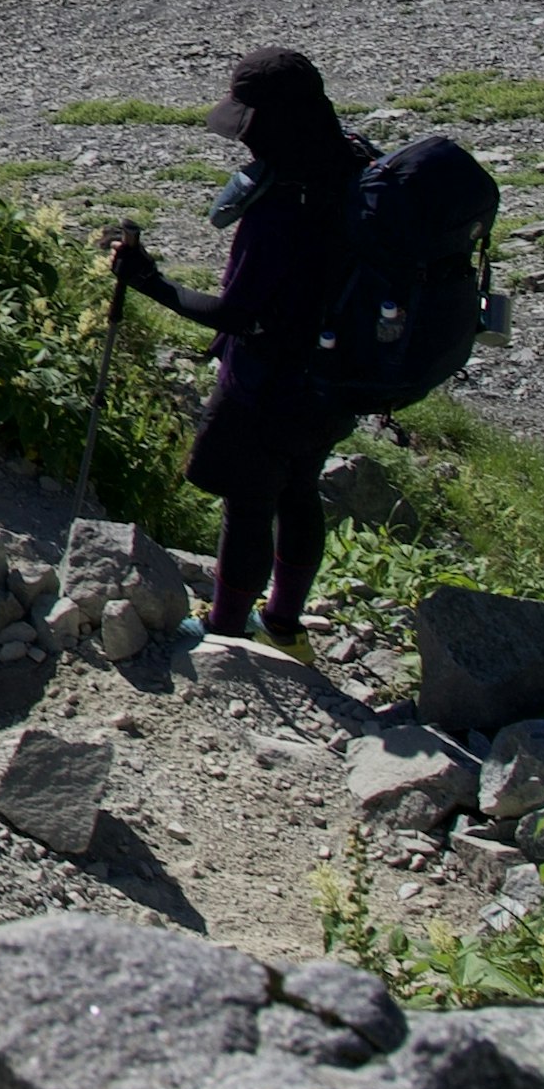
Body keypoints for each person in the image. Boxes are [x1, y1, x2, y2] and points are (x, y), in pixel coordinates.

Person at [108, 46, 363, 646]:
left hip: (269, 378)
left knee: (249, 503)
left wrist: (150, 281)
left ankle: (226, 633)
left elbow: (235, 312)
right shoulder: (353, 163)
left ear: (268, 121)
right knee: (299, 488)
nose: (245, 140)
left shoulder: (282, 205)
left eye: (249, 123)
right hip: (336, 372)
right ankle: (283, 624)